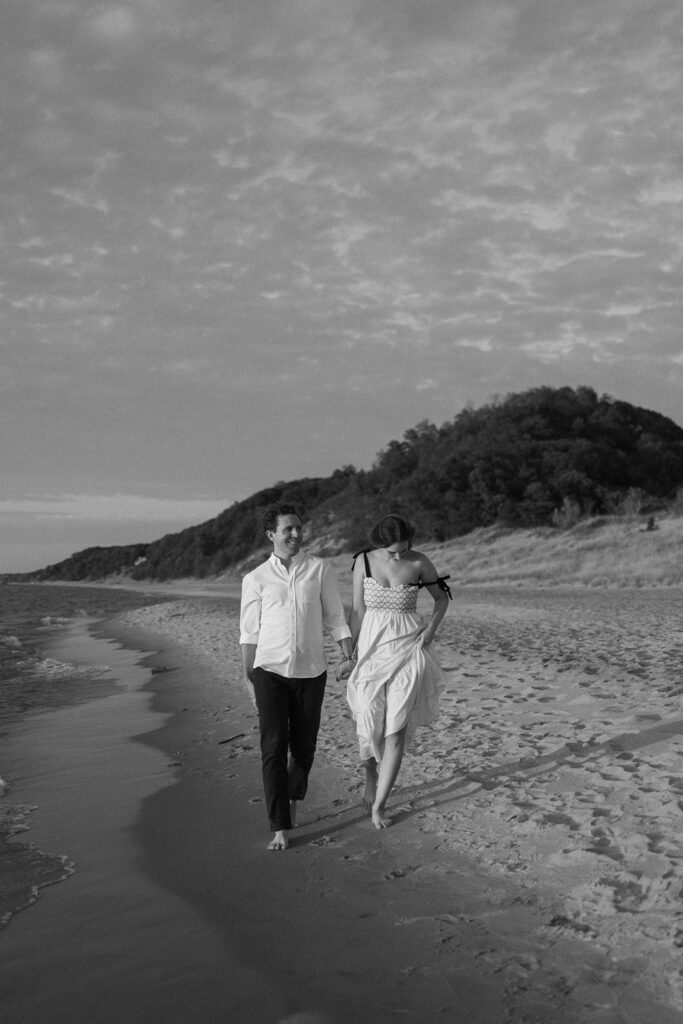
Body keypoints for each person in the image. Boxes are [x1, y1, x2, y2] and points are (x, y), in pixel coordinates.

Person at [240, 503, 354, 851]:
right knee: (273, 747)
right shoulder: (256, 578)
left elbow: (335, 617)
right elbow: (249, 632)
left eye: (298, 528)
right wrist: (248, 677)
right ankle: (279, 825)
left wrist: (348, 654)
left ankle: (293, 797)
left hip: (311, 672)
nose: (294, 534)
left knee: (304, 746)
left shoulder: (319, 569)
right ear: (271, 534)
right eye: (287, 529)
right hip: (269, 671)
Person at [342, 514, 450, 830]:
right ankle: (370, 773)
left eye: (404, 549)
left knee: (395, 729)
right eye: (393, 552)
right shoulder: (362, 561)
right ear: (379, 544)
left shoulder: (419, 562)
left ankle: (379, 805)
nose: (399, 556)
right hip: (372, 649)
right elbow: (358, 610)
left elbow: (441, 599)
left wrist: (430, 629)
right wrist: (348, 655)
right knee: (367, 716)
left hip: (409, 650)